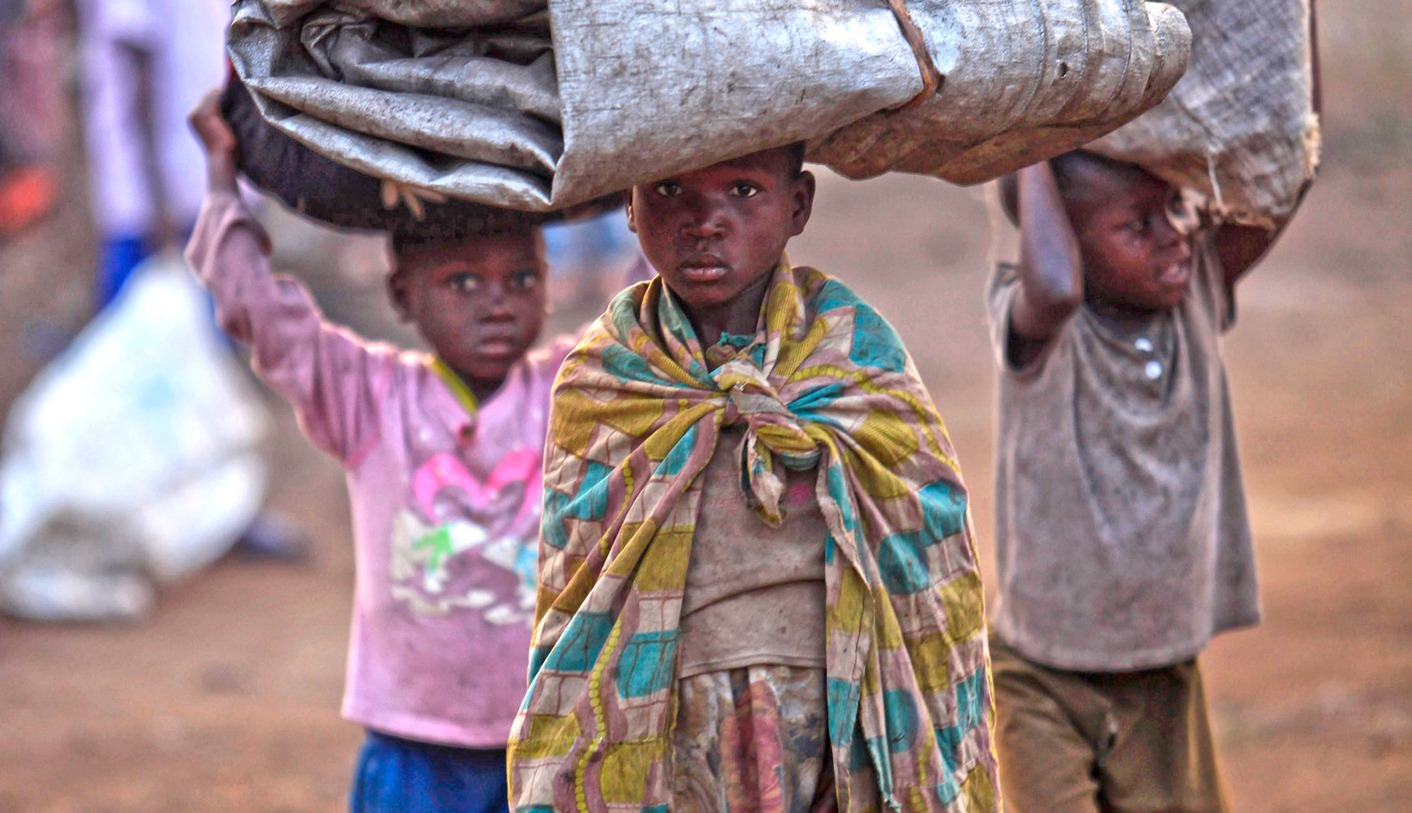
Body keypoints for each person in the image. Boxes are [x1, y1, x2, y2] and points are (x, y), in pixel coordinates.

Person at [185, 91, 647, 813]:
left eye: (521, 279)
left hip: (548, 737)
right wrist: (221, 176)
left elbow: (648, 311)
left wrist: (662, 162)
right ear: (402, 295)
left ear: (547, 288)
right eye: (462, 282)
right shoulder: (369, 398)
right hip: (411, 746)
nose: (496, 302)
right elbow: (255, 307)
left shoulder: (572, 390)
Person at [508, 144, 999, 813]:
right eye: (669, 188)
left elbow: (927, 541)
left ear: (798, 205)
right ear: (629, 204)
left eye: (742, 190)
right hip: (661, 724)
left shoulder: (853, 350)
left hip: (839, 714)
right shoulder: (607, 376)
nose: (704, 220)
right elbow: (577, 594)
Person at [986, 151, 1312, 813]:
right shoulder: (1046, 326)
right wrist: (1031, 139)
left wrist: (1293, 70)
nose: (1175, 233)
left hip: (1162, 678)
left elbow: (1289, 169)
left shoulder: (1198, 293)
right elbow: (1055, 286)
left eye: (1175, 206)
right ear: (1069, 243)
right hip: (1040, 675)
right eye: (1137, 225)